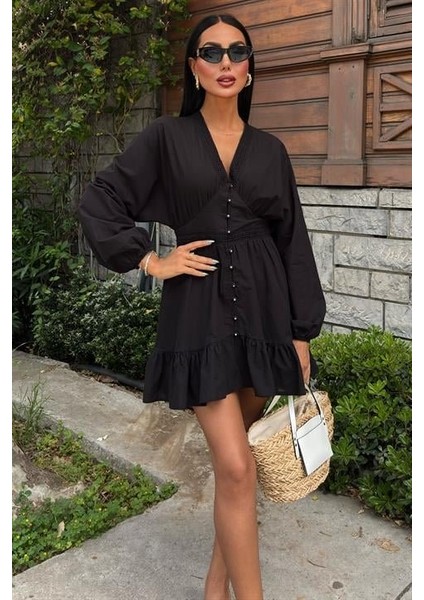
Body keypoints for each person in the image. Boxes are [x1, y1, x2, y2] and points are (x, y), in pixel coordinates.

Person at [78, 13, 326, 600]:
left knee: (236, 473)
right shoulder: (167, 138)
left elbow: (292, 241)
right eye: (211, 52)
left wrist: (301, 332)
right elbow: (101, 199)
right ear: (193, 67)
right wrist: (150, 260)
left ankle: (216, 590)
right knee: (237, 467)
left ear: (249, 68)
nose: (225, 62)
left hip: (265, 319)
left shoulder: (271, 150)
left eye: (237, 52)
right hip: (199, 318)